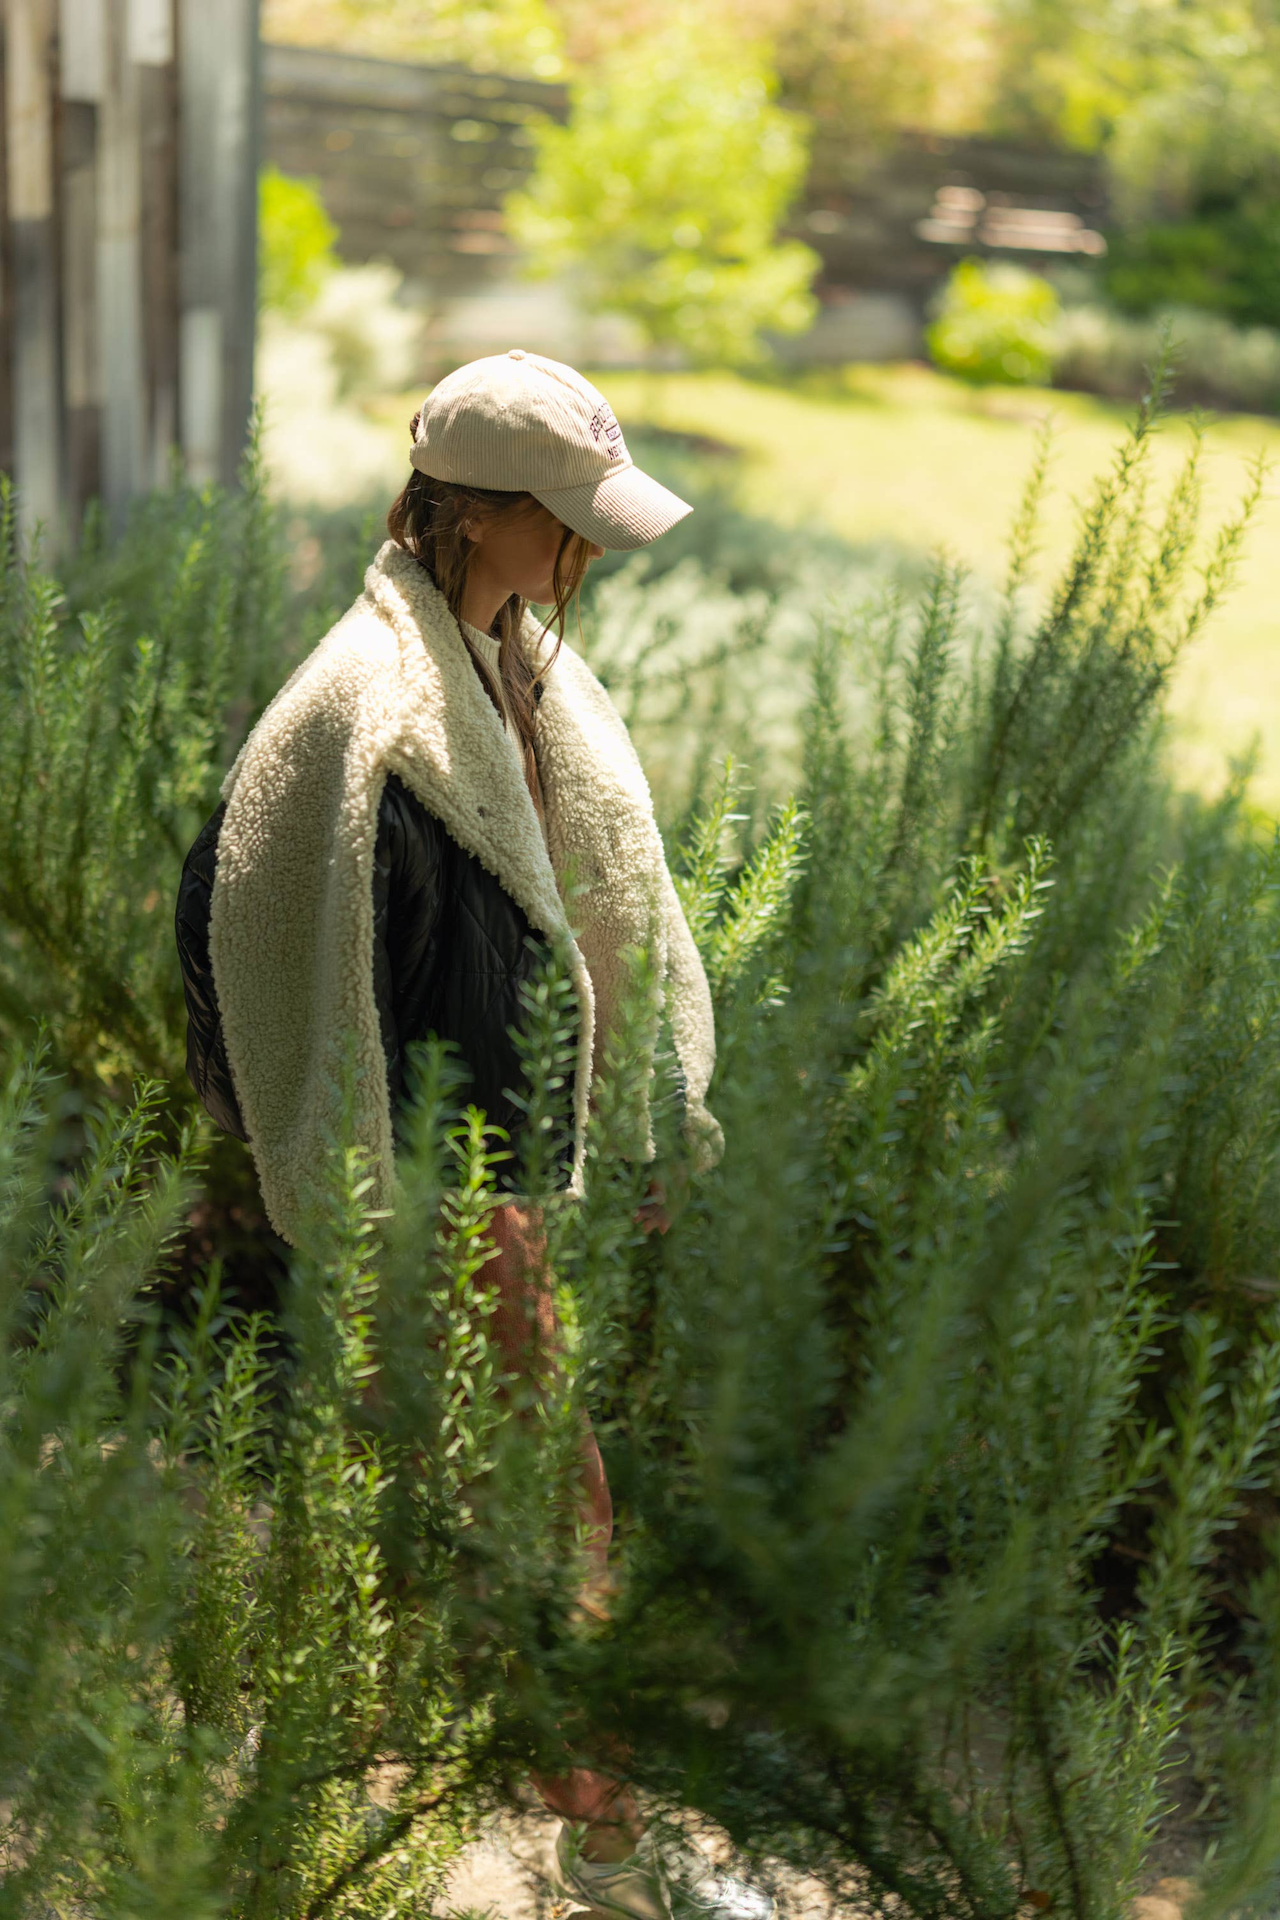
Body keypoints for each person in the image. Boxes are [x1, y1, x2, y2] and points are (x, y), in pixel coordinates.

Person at [175, 349, 773, 1920]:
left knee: (500, 1488)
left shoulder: (505, 659)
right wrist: (369, 1199)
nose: (588, 551)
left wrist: (630, 1120)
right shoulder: (368, 711)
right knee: (534, 1488)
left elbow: (586, 908)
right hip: (425, 1183)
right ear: (475, 515)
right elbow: (265, 950)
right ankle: (612, 1842)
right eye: (566, 520)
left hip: (487, 1169)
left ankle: (437, 1797)